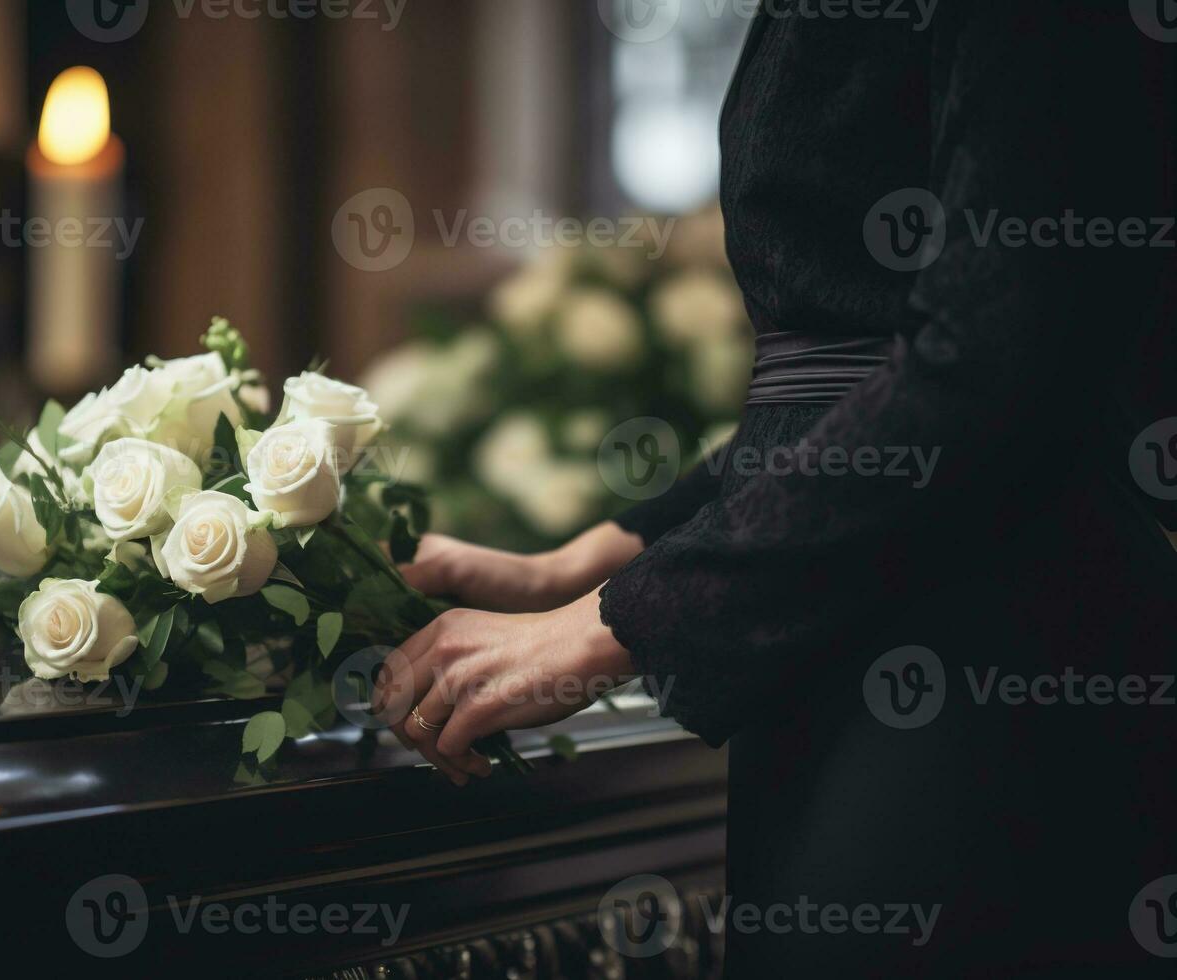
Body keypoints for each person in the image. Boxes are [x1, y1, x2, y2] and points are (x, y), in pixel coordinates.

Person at [380, 2, 1177, 974]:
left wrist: (612, 624)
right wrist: (593, 557)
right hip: (866, 628)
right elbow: (844, 375)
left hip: (981, 652)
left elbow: (990, 356)